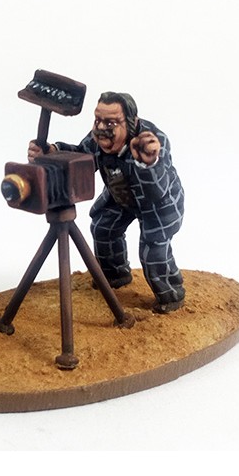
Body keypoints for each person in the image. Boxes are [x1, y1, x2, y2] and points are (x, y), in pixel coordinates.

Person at [29, 91, 185, 313]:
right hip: (120, 196)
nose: (101, 128)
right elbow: (82, 157)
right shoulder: (97, 139)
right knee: (103, 227)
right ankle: (114, 276)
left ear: (131, 123)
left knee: (153, 251)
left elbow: (157, 192)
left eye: (111, 123)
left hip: (159, 205)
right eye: (98, 120)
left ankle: (171, 295)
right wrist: (52, 151)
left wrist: (148, 164)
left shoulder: (153, 142)